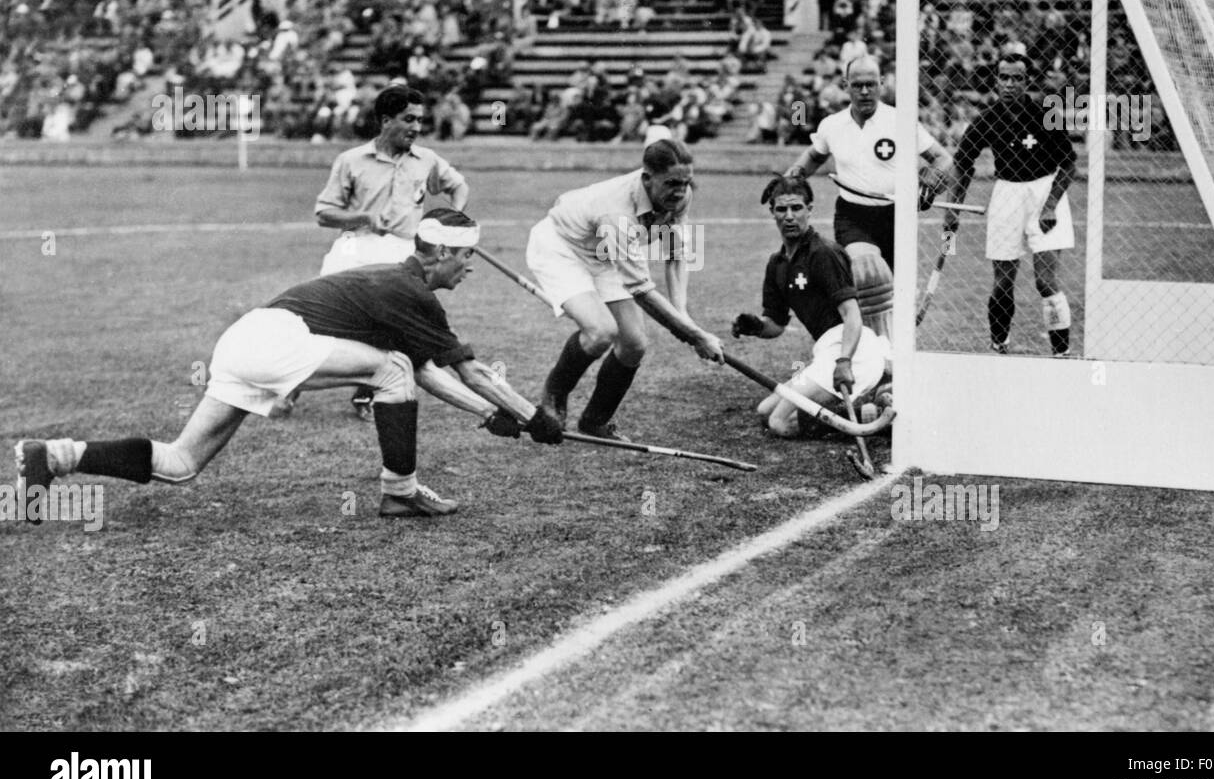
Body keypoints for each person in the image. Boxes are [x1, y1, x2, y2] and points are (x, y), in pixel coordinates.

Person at [15, 211, 565, 523]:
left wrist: (492, 417)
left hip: (243, 341)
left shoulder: (397, 284)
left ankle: (57, 455)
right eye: (468, 256)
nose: (472, 267)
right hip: (275, 341)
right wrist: (532, 415)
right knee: (390, 368)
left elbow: (426, 371)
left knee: (181, 463)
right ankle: (400, 491)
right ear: (441, 254)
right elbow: (467, 373)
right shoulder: (408, 291)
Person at [528, 139, 726, 441]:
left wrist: (683, 316)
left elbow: (675, 255)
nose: (680, 191)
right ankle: (552, 399)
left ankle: (594, 420)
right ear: (647, 178)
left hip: (605, 254)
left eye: (686, 183)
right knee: (600, 332)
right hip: (561, 248)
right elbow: (641, 291)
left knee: (634, 344)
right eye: (671, 183)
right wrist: (694, 336)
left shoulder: (681, 196)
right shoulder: (617, 212)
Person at [315, 83, 469, 419]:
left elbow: (458, 185)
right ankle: (292, 388)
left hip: (402, 253)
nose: (416, 127)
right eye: (408, 119)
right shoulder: (351, 160)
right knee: (321, 321)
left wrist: (454, 221)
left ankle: (366, 394)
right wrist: (363, 216)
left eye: (419, 120)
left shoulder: (426, 159)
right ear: (385, 120)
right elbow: (324, 213)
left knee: (394, 328)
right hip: (356, 248)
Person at [784, 56, 952, 341]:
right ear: (845, 86)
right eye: (858, 85)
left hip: (897, 217)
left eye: (871, 85)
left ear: (882, 85)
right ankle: (874, 351)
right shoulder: (831, 125)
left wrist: (930, 184)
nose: (865, 92)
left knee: (895, 293)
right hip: (853, 215)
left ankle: (889, 347)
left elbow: (942, 159)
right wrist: (789, 182)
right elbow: (813, 157)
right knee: (866, 271)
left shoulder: (900, 121)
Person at [732, 175, 891, 438]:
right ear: (772, 212)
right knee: (765, 411)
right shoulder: (777, 264)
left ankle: (873, 416)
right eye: (782, 209)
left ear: (810, 210)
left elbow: (852, 315)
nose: (789, 216)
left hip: (853, 351)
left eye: (797, 208)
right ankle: (865, 410)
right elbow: (776, 325)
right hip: (826, 354)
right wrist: (756, 326)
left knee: (780, 422)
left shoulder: (824, 253)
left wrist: (844, 361)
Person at [944, 51, 1077, 356]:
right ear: (996, 80)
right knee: (1003, 282)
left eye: (1017, 78)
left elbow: (1069, 164)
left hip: (1045, 191)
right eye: (1004, 77)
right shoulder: (987, 119)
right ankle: (999, 346)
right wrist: (952, 213)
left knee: (1045, 281)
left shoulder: (1046, 112)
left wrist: (1050, 205)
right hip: (1006, 194)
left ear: (1027, 81)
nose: (1009, 84)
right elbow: (963, 164)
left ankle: (1061, 353)